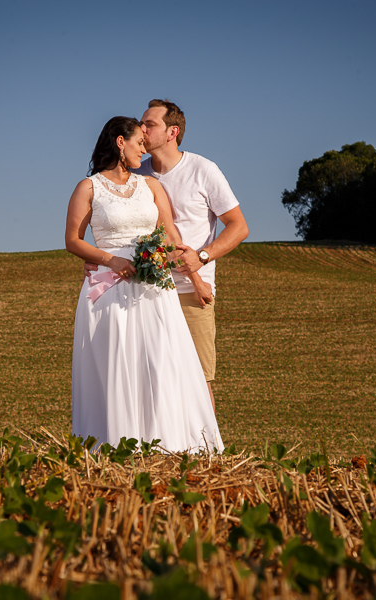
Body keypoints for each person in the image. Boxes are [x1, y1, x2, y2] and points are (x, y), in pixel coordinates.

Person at [65, 116, 223, 453]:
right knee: (115, 366)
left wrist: (181, 268)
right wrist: (110, 260)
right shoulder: (88, 187)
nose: (144, 149)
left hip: (153, 288)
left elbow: (169, 233)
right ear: (120, 143)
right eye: (138, 142)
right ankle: (113, 444)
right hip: (108, 289)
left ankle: (171, 445)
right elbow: (73, 240)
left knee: (160, 362)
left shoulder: (151, 186)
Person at [137, 99, 249, 412]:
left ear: (172, 131)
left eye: (150, 124)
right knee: (152, 379)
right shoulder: (138, 173)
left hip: (192, 293)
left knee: (199, 381)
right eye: (141, 124)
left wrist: (202, 256)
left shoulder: (203, 170)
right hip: (148, 292)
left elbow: (239, 227)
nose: (141, 130)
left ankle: (209, 455)